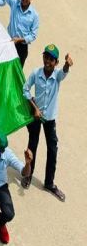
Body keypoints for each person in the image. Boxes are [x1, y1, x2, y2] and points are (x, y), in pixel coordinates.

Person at [22, 44, 72, 201]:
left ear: (56, 62)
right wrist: (34, 107)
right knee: (33, 145)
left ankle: (49, 183)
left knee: (52, 150)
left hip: (49, 119)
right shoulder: (36, 73)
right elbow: (25, 90)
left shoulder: (57, 76)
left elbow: (64, 73)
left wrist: (66, 64)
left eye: (51, 59)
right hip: (36, 117)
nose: (47, 61)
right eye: (46, 57)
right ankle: (28, 175)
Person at [0, 0, 39, 67]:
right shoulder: (14, 3)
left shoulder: (34, 15)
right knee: (5, 68)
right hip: (9, 43)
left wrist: (20, 40)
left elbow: (33, 35)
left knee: (17, 71)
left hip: (22, 48)